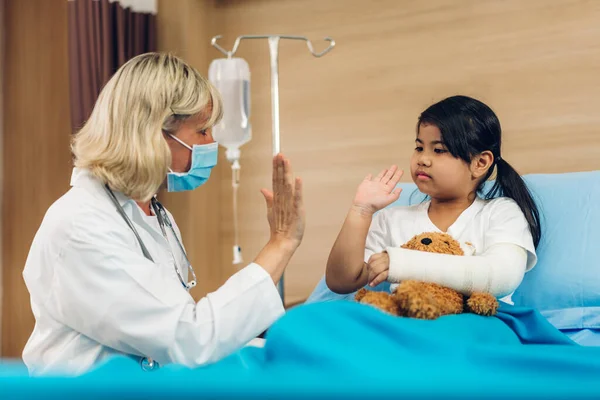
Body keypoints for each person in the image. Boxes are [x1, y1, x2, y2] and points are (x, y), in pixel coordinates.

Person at [22, 53, 304, 376]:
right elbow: (190, 336)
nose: (213, 143)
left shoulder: (154, 215)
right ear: (153, 133)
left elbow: (174, 331)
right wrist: (280, 244)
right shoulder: (79, 226)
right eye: (202, 131)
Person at [325, 95, 541, 301]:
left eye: (438, 150)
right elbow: (341, 282)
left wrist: (401, 263)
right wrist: (360, 211)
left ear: (480, 163)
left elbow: (501, 277)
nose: (423, 159)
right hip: (410, 321)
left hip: (476, 325)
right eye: (419, 147)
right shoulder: (392, 219)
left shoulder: (501, 212)